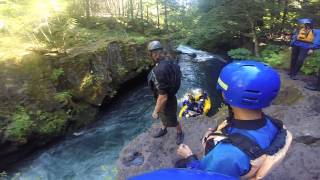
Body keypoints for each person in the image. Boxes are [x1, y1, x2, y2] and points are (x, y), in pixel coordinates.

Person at [176, 61, 292, 179]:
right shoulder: (274, 125)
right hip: (239, 161)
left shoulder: (227, 156)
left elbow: (206, 176)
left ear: (227, 95)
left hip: (223, 164)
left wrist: (190, 157)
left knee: (179, 165)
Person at [147, 40, 184, 145]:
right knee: (163, 116)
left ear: (153, 55)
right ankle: (164, 128)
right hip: (171, 93)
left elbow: (163, 97)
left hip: (167, 99)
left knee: (172, 119)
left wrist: (155, 111)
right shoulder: (171, 61)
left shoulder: (158, 71)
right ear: (162, 51)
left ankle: (179, 132)